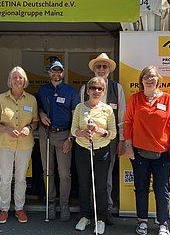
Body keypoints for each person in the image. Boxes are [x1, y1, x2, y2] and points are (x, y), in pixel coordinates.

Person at [123, 66, 170, 235]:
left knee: (161, 189)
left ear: (158, 80)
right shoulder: (135, 99)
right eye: (146, 77)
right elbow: (128, 123)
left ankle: (163, 223)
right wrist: (128, 145)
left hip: (163, 154)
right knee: (141, 187)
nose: (149, 79)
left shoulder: (167, 99)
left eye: (152, 77)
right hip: (139, 152)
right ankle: (142, 220)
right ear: (141, 80)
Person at [79, 52, 126, 225]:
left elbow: (122, 116)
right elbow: (79, 113)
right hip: (88, 139)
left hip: (109, 138)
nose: (101, 69)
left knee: (105, 177)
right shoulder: (85, 88)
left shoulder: (116, 88)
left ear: (109, 70)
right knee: (88, 176)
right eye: (98, 66)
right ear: (94, 69)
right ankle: (90, 211)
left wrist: (122, 140)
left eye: (104, 66)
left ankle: (105, 210)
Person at [0, 66, 39, 224]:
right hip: (4, 143)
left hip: (25, 145)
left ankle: (19, 208)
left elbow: (36, 122)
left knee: (20, 179)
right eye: (15, 77)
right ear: (10, 81)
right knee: (5, 179)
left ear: (24, 80)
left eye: (21, 77)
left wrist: (29, 128)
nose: (18, 80)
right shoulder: (1, 99)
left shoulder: (31, 99)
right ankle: (4, 209)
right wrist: (6, 129)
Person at [71, 77, 116, 234]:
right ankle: (85, 216)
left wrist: (99, 130)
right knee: (84, 185)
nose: (96, 91)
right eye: (93, 88)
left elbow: (113, 133)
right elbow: (73, 130)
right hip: (83, 150)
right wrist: (82, 132)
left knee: (101, 187)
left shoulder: (107, 109)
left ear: (103, 92)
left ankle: (101, 218)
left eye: (100, 89)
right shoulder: (79, 108)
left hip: (102, 151)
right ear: (88, 90)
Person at [37, 60, 80, 222]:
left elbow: (76, 117)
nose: (56, 74)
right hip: (45, 134)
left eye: (59, 71)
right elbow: (39, 107)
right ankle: (50, 204)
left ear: (63, 73)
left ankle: (64, 205)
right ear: (49, 73)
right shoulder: (43, 90)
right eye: (53, 71)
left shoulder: (70, 91)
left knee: (64, 174)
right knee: (47, 171)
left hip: (63, 135)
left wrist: (71, 138)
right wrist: (41, 113)